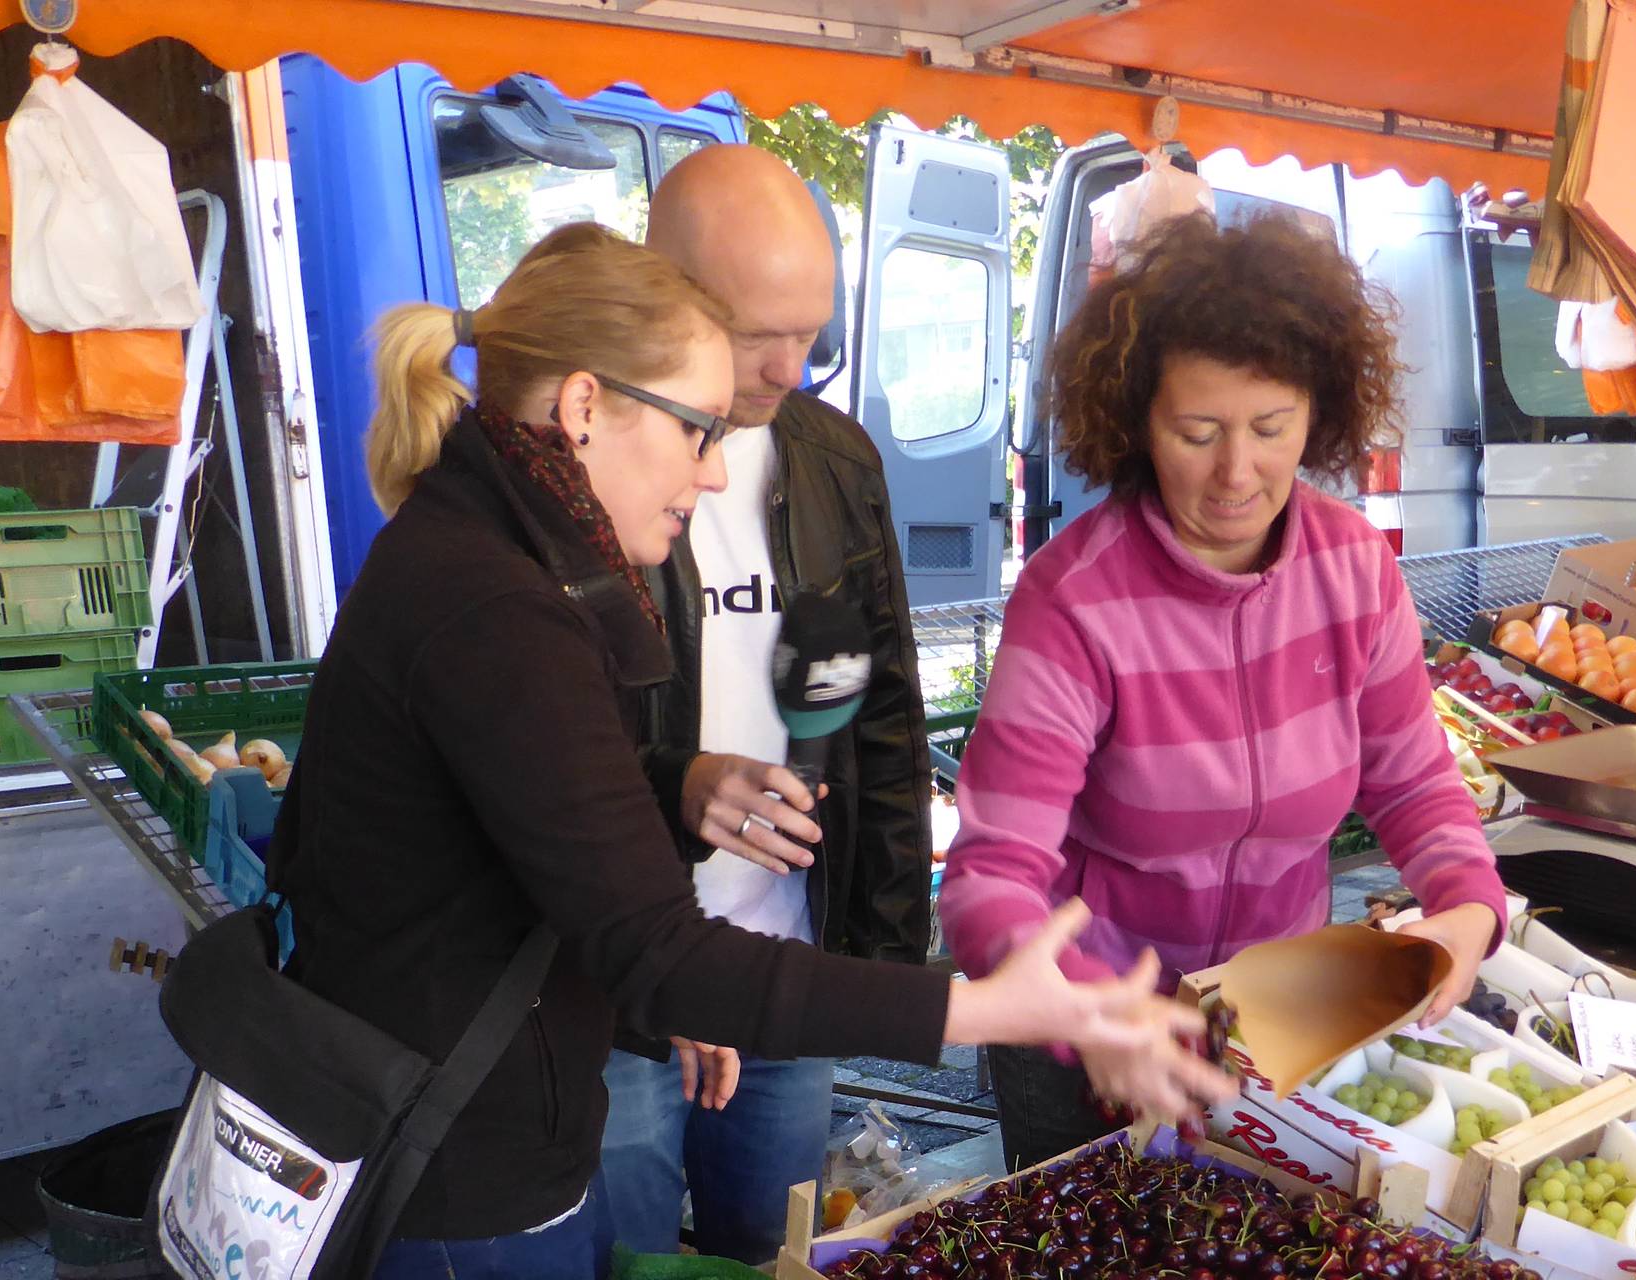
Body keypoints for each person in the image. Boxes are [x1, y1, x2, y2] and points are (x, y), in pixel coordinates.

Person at [264, 222, 1231, 1280]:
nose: (715, 473)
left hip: (467, 1126)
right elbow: (654, 945)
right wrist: (987, 1005)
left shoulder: (478, 555)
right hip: (459, 1176)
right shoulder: (498, 602)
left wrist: (670, 795)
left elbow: (530, 816)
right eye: (696, 430)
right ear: (586, 407)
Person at [936, 211, 1512, 1170]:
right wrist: (1090, 1013)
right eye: (1197, 431)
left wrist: (1468, 907)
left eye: (1270, 428)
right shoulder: (1075, 600)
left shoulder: (1355, 570)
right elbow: (991, 879)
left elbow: (1415, 782)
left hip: (1281, 1026)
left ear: (1317, 414)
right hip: (1092, 1030)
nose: (1237, 471)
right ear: (1136, 422)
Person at [591, 144, 934, 1268]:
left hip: (781, 959)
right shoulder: (585, 464)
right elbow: (554, 746)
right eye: (754, 334)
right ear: (661, 286)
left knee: (768, 1249)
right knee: (630, 1257)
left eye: (811, 333)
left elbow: (880, 707)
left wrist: (878, 954)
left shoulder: (834, 459)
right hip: (615, 983)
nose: (788, 367)